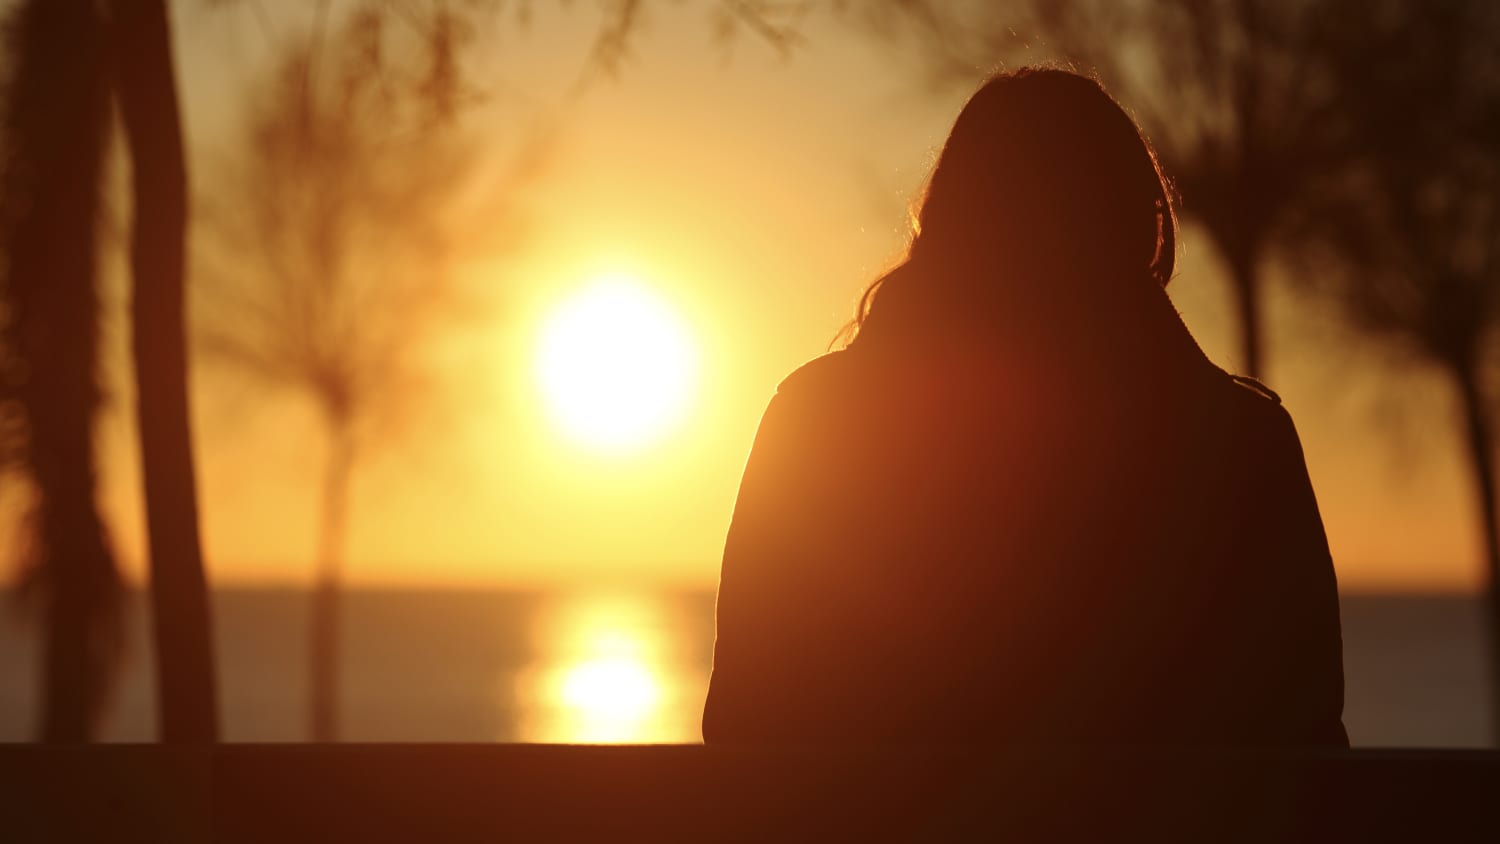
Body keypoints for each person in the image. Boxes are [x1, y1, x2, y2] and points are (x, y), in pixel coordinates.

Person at [701, 67, 1348, 746]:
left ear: (949, 222)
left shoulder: (816, 422)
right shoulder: (1242, 445)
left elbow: (745, 717)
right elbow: (1309, 731)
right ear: (1138, 228)